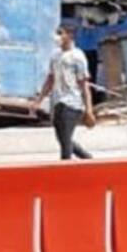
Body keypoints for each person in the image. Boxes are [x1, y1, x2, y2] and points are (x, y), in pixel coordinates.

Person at [32, 24, 95, 160]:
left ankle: (65, 172)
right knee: (63, 139)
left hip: (72, 104)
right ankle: (87, 159)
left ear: (70, 36)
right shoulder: (55, 55)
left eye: (61, 33)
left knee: (65, 144)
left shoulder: (78, 57)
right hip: (57, 103)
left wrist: (89, 110)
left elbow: (84, 85)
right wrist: (39, 100)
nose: (57, 37)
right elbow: (50, 79)